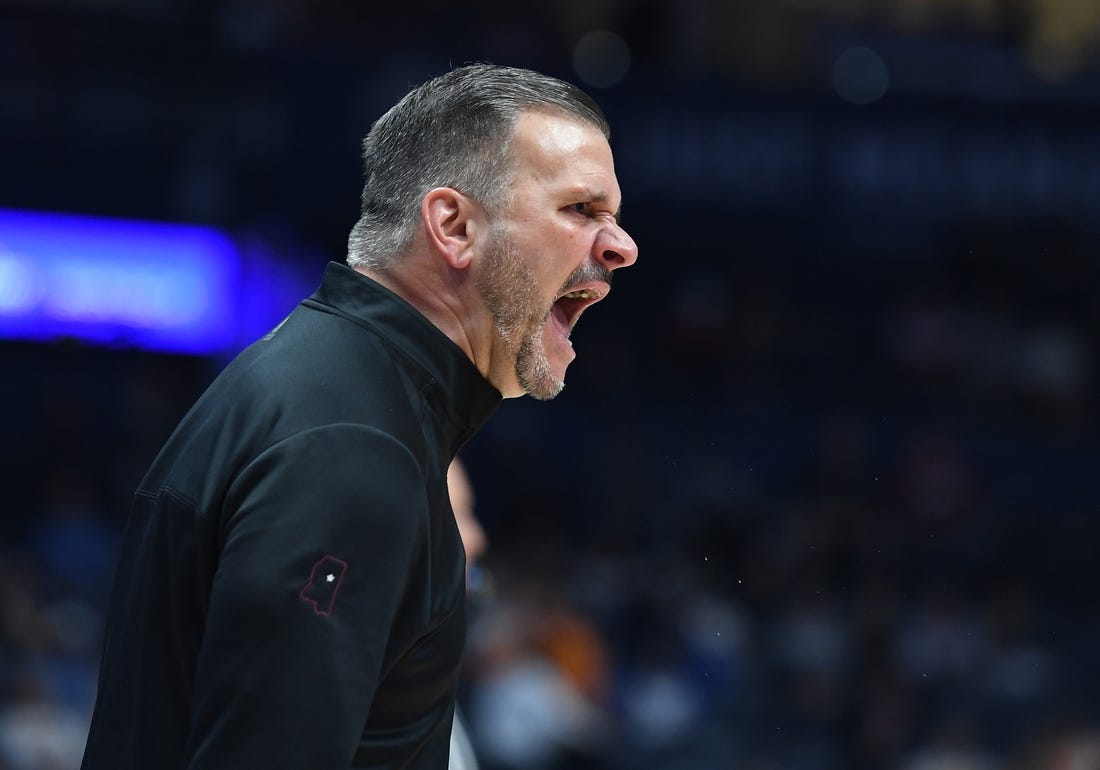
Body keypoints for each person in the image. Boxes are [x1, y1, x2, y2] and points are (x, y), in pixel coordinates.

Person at [80, 63, 638, 769]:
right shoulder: (353, 442)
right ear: (455, 225)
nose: (622, 247)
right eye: (580, 211)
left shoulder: (323, 386)